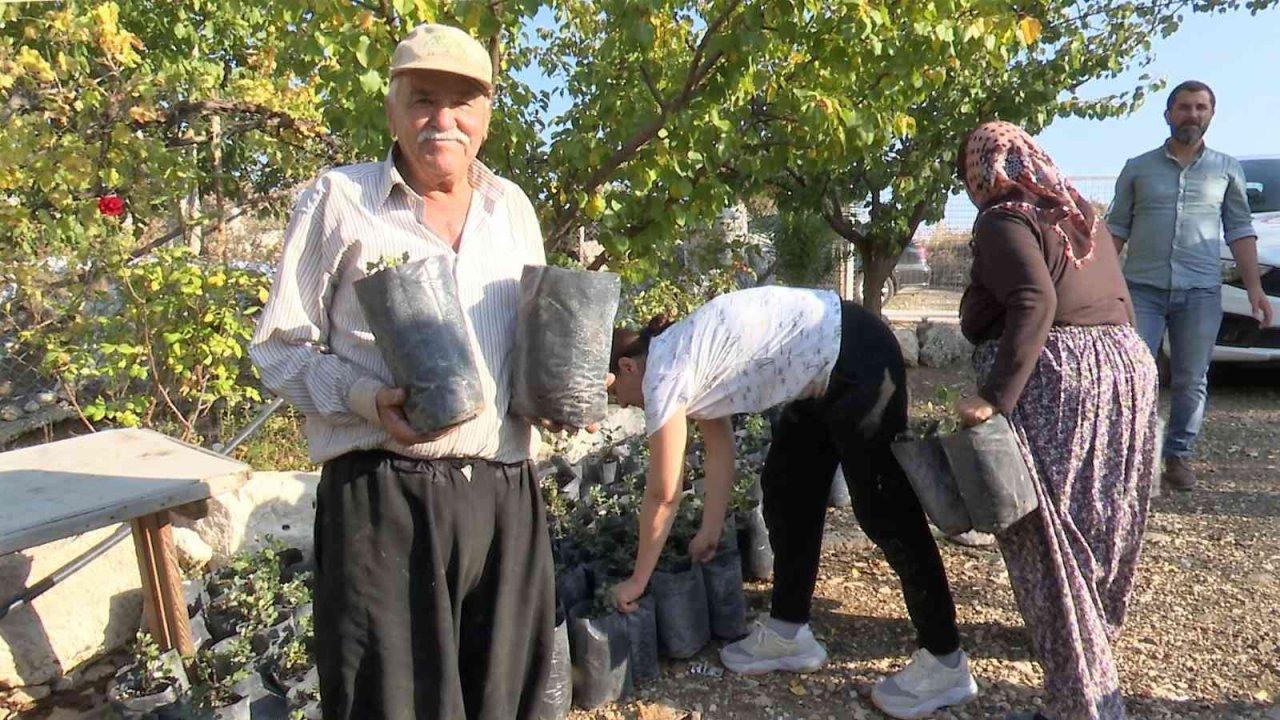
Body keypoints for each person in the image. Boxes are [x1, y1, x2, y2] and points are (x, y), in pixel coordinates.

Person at [250, 24, 558, 720]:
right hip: (384, 499)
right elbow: (278, 349)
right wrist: (364, 398)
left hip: (505, 495)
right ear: (392, 108)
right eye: (422, 99)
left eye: (462, 103)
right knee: (391, 704)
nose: (442, 120)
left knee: (505, 698)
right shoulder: (339, 200)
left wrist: (552, 391)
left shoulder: (511, 207)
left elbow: (533, 339)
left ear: (486, 116)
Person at [607, 285, 979, 719]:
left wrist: (637, 581)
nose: (621, 402)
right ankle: (788, 632)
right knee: (788, 486)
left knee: (886, 511)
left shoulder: (664, 373)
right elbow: (720, 446)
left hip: (856, 357)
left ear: (628, 366)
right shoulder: (679, 354)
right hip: (825, 367)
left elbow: (663, 494)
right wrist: (710, 529)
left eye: (614, 391)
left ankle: (945, 661)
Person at [956, 120, 1161, 720]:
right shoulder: (1077, 212)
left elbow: (1034, 300)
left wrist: (995, 396)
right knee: (1098, 520)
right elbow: (1107, 297)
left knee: (1049, 542)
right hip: (1124, 366)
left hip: (1061, 377)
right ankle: (1092, 638)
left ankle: (1081, 704)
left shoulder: (1004, 218)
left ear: (983, 168)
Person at [1106, 80, 1273, 491]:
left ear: (1211, 115)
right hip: (1141, 291)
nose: (1192, 115)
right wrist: (1101, 285)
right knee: (1136, 375)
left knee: (1191, 378)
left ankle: (1178, 456)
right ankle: (1136, 455)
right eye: (1184, 107)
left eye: (1200, 108)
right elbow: (1116, 229)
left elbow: (1240, 230)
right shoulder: (1137, 168)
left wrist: (1255, 289)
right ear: (1168, 114)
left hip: (1200, 292)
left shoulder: (1226, 169)